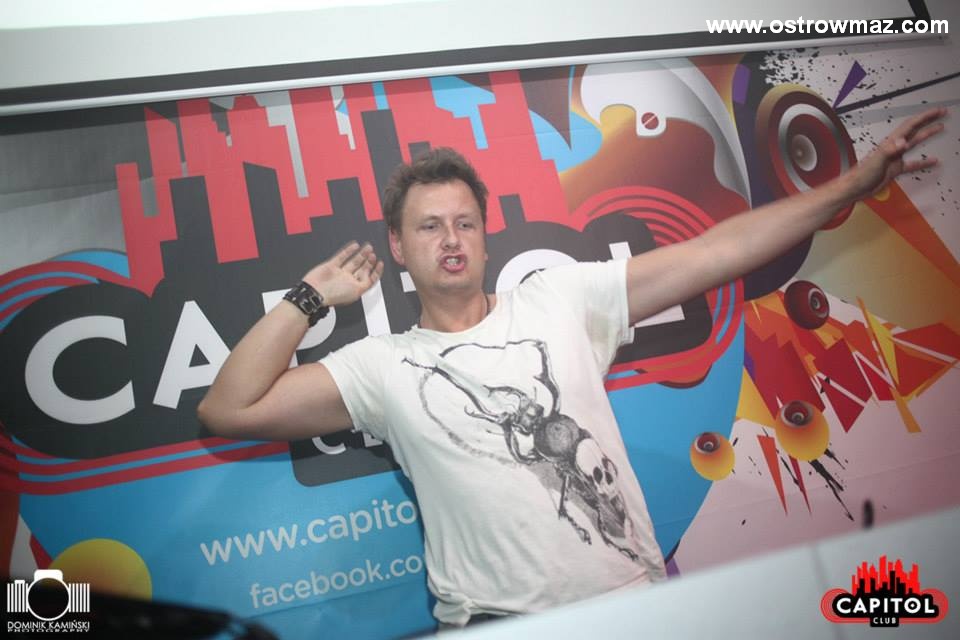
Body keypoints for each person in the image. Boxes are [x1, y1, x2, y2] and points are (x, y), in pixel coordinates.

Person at [197, 108, 946, 627]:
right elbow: (229, 409)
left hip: (635, 605)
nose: (451, 239)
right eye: (429, 227)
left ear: (484, 236)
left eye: (464, 223)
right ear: (398, 246)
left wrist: (850, 187)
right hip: (497, 622)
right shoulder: (382, 366)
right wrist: (308, 299)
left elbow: (717, 252)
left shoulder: (558, 298)